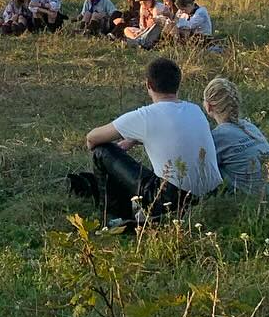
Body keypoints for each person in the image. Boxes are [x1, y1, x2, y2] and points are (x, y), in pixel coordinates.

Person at [83, 57, 221, 224]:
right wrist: (134, 139)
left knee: (101, 152)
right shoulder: (195, 109)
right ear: (178, 84)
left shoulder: (144, 116)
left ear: (148, 85)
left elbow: (92, 138)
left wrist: (118, 144)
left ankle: (114, 218)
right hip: (210, 193)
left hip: (169, 198)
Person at [202, 78, 269, 199]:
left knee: (209, 168)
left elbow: (201, 169)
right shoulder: (249, 126)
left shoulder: (217, 137)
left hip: (254, 202)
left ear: (208, 106)